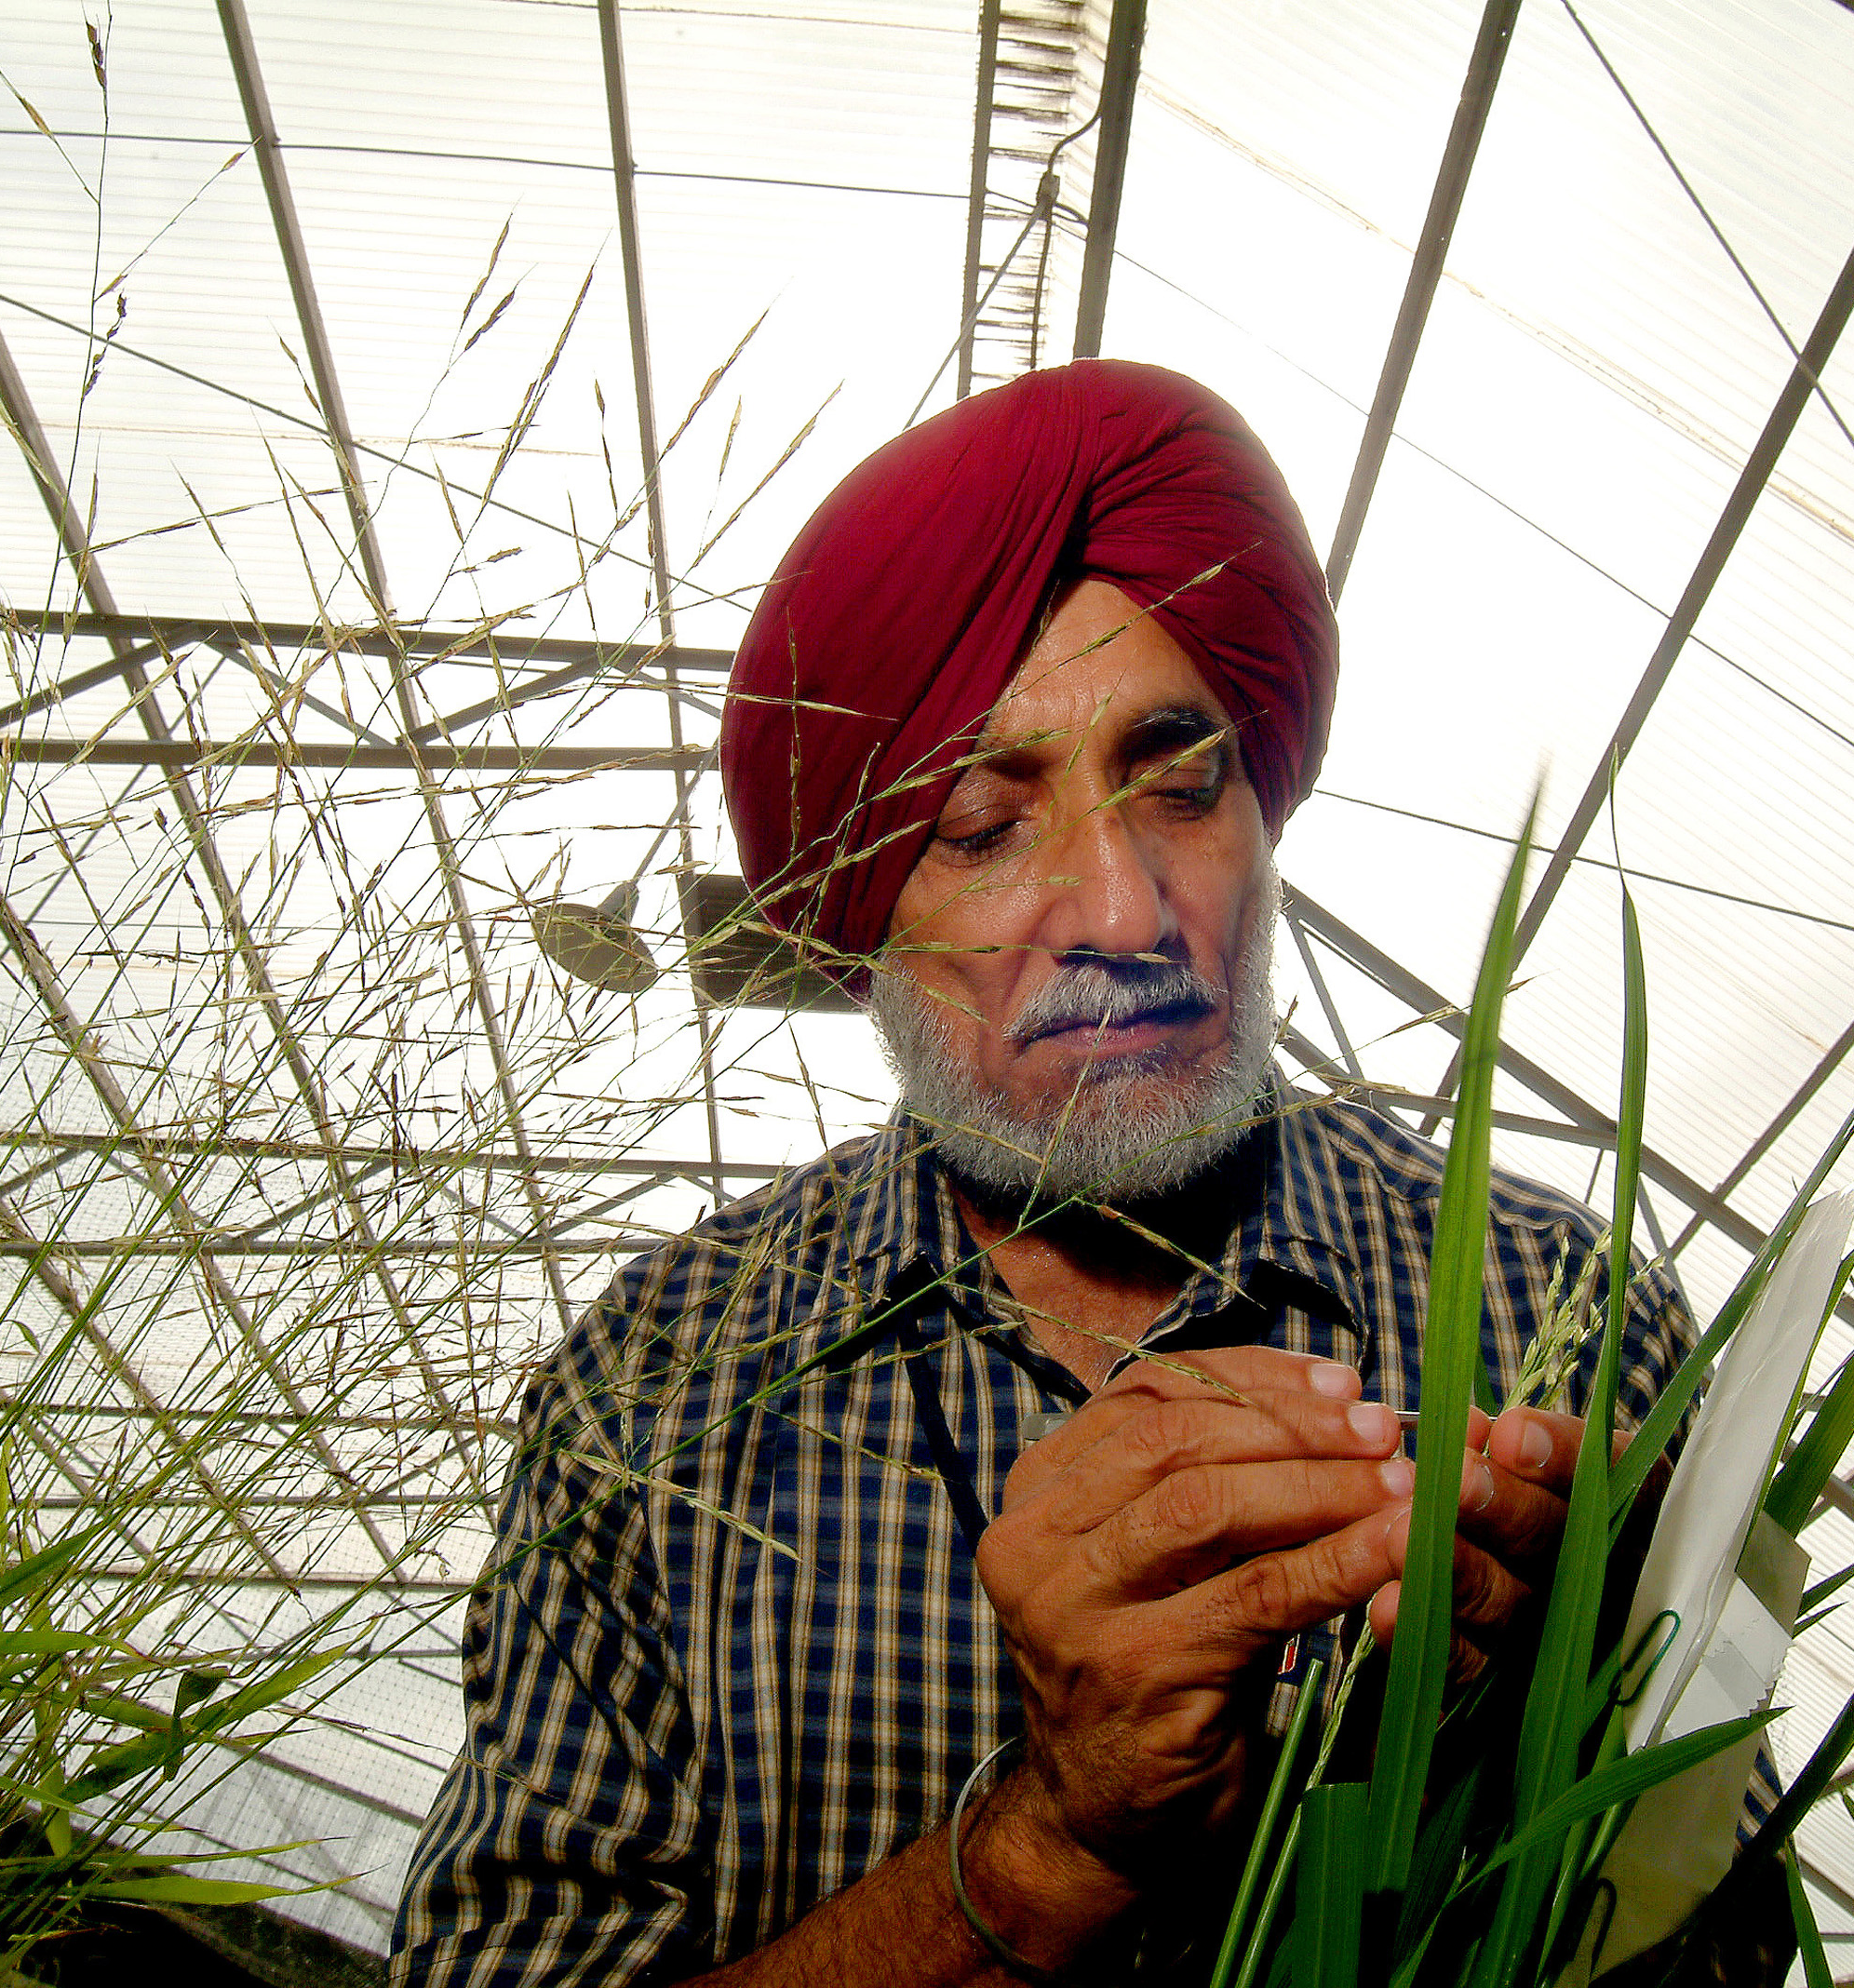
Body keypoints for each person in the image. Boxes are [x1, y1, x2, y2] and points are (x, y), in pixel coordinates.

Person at [389, 361, 1702, 1986]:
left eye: (1182, 779)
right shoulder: (659, 1387)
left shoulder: (1552, 1306)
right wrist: (1049, 1845)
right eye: (977, 823)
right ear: (862, 921)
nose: (1128, 913)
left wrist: (1539, 1747)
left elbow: (1728, 1928)